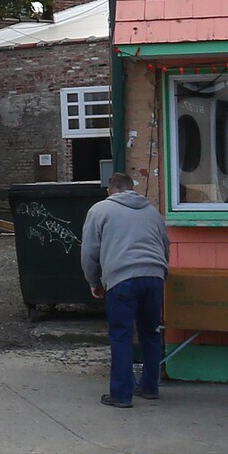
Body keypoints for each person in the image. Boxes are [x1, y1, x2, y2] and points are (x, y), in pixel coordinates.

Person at [81, 171, 171, 407]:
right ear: (132, 188)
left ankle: (121, 394)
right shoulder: (152, 211)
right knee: (150, 332)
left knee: (121, 335)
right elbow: (165, 245)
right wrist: (161, 274)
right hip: (154, 276)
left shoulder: (100, 210)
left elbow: (90, 251)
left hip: (122, 277)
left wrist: (94, 281)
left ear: (110, 189)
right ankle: (150, 387)